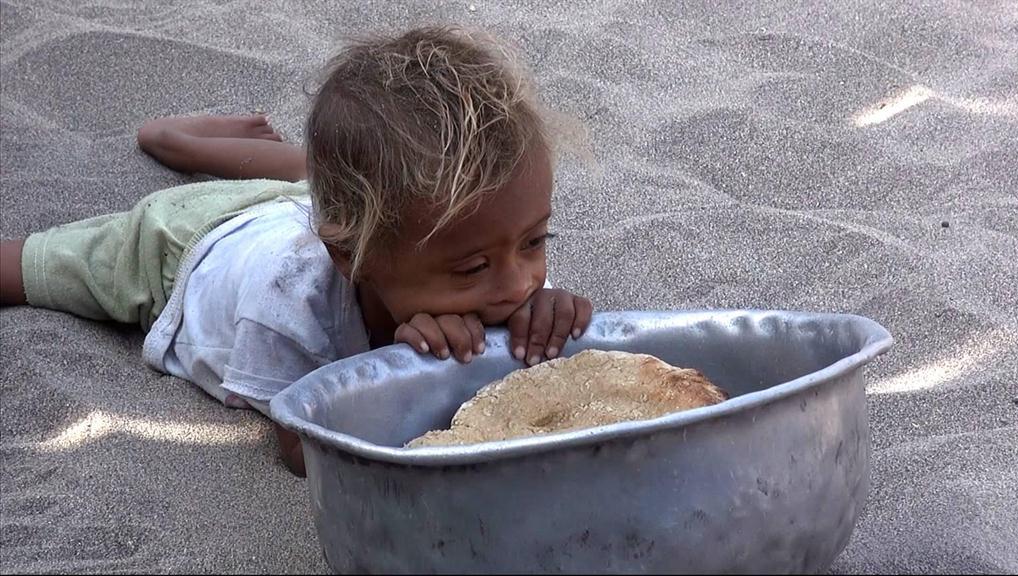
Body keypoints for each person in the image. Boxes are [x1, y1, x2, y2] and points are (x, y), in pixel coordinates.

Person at [0, 25, 593, 476]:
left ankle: (182, 140)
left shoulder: (474, 242)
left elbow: (515, 299)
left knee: (318, 178)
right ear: (353, 260)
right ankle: (168, 137)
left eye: (535, 241)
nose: (520, 284)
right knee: (27, 271)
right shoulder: (287, 307)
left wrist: (547, 321)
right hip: (181, 247)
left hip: (300, 202)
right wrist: (406, 365)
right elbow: (300, 450)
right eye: (474, 268)